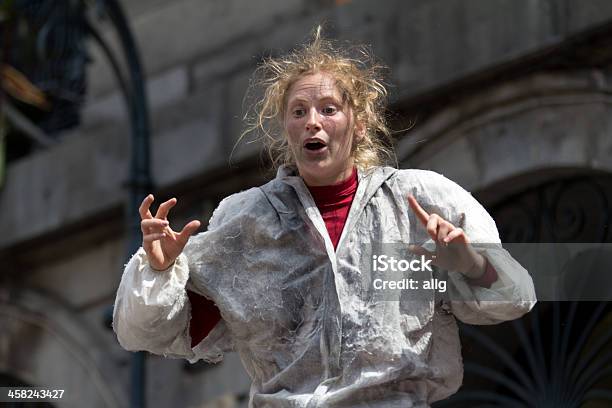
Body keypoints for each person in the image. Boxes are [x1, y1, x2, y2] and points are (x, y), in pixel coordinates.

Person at [113, 27, 536, 407]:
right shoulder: (247, 220)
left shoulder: (420, 199)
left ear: (361, 123)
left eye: (329, 109)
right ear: (285, 127)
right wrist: (159, 268)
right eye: (299, 112)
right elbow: (144, 333)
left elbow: (517, 297)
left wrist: (469, 264)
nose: (312, 122)